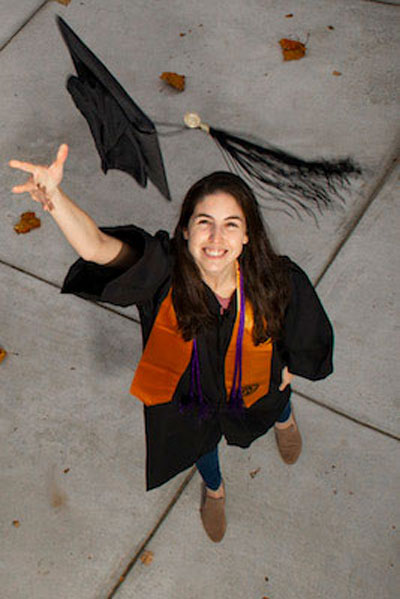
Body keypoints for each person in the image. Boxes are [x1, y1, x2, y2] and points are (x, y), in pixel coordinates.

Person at [9, 144, 333, 543]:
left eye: (231, 224)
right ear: (185, 229)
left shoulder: (276, 280)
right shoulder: (163, 274)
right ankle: (215, 489)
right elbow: (96, 247)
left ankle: (284, 420)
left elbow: (305, 333)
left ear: (248, 235)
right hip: (189, 394)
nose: (216, 237)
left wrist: (292, 367)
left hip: (256, 382)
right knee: (198, 443)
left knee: (275, 398)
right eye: (204, 222)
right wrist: (55, 199)